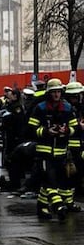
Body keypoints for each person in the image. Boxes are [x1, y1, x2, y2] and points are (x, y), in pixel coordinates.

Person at [28, 78, 79, 220]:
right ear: (48, 93)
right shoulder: (40, 108)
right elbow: (31, 128)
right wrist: (45, 131)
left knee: (54, 181)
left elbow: (75, 128)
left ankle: (42, 207)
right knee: (49, 181)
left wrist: (67, 130)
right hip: (44, 152)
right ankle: (58, 206)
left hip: (61, 152)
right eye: (53, 92)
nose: (56, 95)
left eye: (58, 92)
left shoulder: (67, 109)